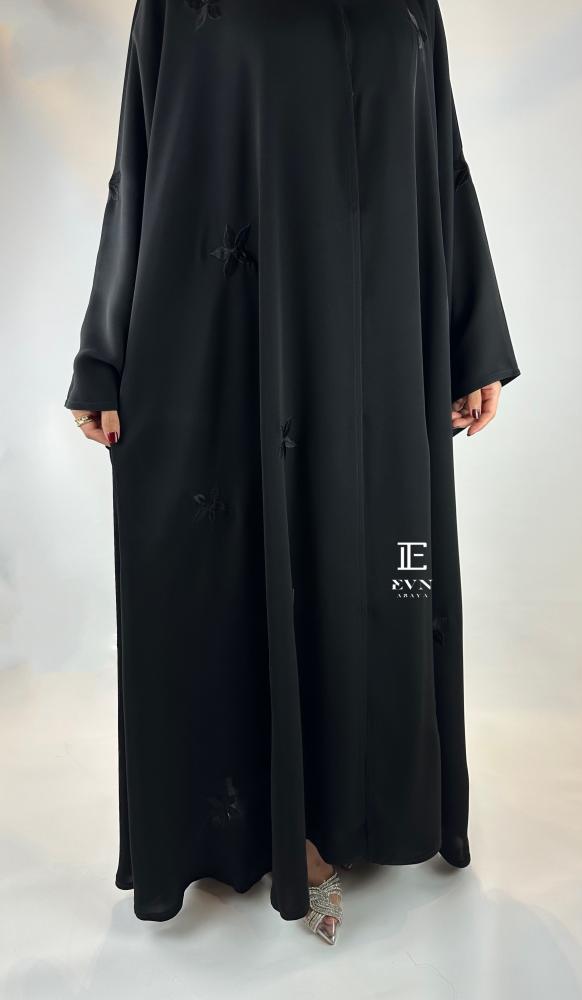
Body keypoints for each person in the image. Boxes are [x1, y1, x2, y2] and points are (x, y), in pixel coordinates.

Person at [65, 0, 520, 946]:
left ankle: (361, 809)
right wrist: (103, 354)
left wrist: (472, 335)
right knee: (260, 563)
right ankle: (286, 827)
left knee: (390, 573)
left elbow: (441, 155)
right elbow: (139, 162)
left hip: (381, 354)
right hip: (242, 343)